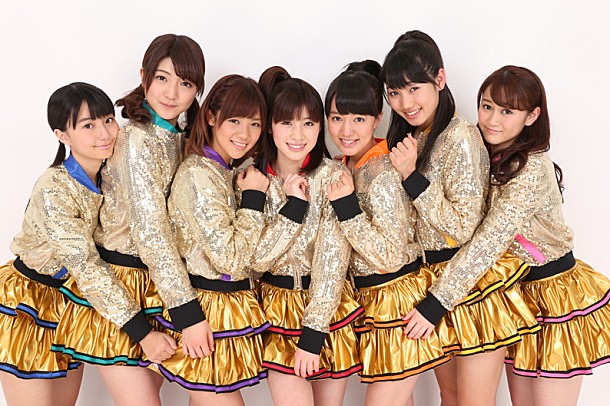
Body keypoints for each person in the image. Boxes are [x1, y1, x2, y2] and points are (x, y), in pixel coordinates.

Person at [51, 34, 206, 406]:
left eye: (185, 83)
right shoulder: (136, 139)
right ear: (143, 76)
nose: (172, 93)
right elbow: (152, 232)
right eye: (162, 78)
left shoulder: (181, 136)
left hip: (159, 286)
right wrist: (187, 313)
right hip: (120, 288)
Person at [382, 30, 533, 406]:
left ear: (440, 79)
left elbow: (464, 227)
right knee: (449, 396)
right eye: (395, 92)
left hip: (470, 287)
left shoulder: (461, 136)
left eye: (414, 88)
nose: (405, 102)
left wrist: (412, 178)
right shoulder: (416, 137)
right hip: (431, 283)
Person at [461, 65, 610, 406]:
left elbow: (489, 242)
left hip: (555, 298)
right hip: (518, 297)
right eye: (487, 106)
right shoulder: (486, 155)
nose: (492, 120)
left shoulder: (531, 168)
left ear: (532, 116)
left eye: (507, 111)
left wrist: (437, 301)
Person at [144, 74, 285, 405]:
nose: (244, 133)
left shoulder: (226, 171)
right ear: (210, 117)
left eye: (254, 124)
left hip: (227, 310)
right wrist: (253, 199)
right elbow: (231, 259)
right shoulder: (198, 174)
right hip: (205, 310)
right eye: (234, 120)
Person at [324, 60, 449, 406]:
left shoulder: (383, 171)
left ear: (377, 119)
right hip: (371, 305)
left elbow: (391, 255)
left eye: (358, 119)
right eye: (337, 118)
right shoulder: (345, 164)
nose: (346, 130)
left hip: (397, 303)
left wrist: (347, 208)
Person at [0, 82, 119, 406]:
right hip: (28, 304)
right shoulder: (54, 187)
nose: (104, 133)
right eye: (88, 125)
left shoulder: (111, 175)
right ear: (62, 134)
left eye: (108, 120)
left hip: (68, 303)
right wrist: (139, 330)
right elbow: (85, 265)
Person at [253, 66, 363, 406]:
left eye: (309, 123)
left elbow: (333, 260)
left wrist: (313, 334)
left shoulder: (334, 175)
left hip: (327, 311)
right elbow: (255, 260)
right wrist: (294, 208)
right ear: (270, 125)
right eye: (287, 122)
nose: (298, 134)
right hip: (277, 311)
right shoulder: (252, 180)